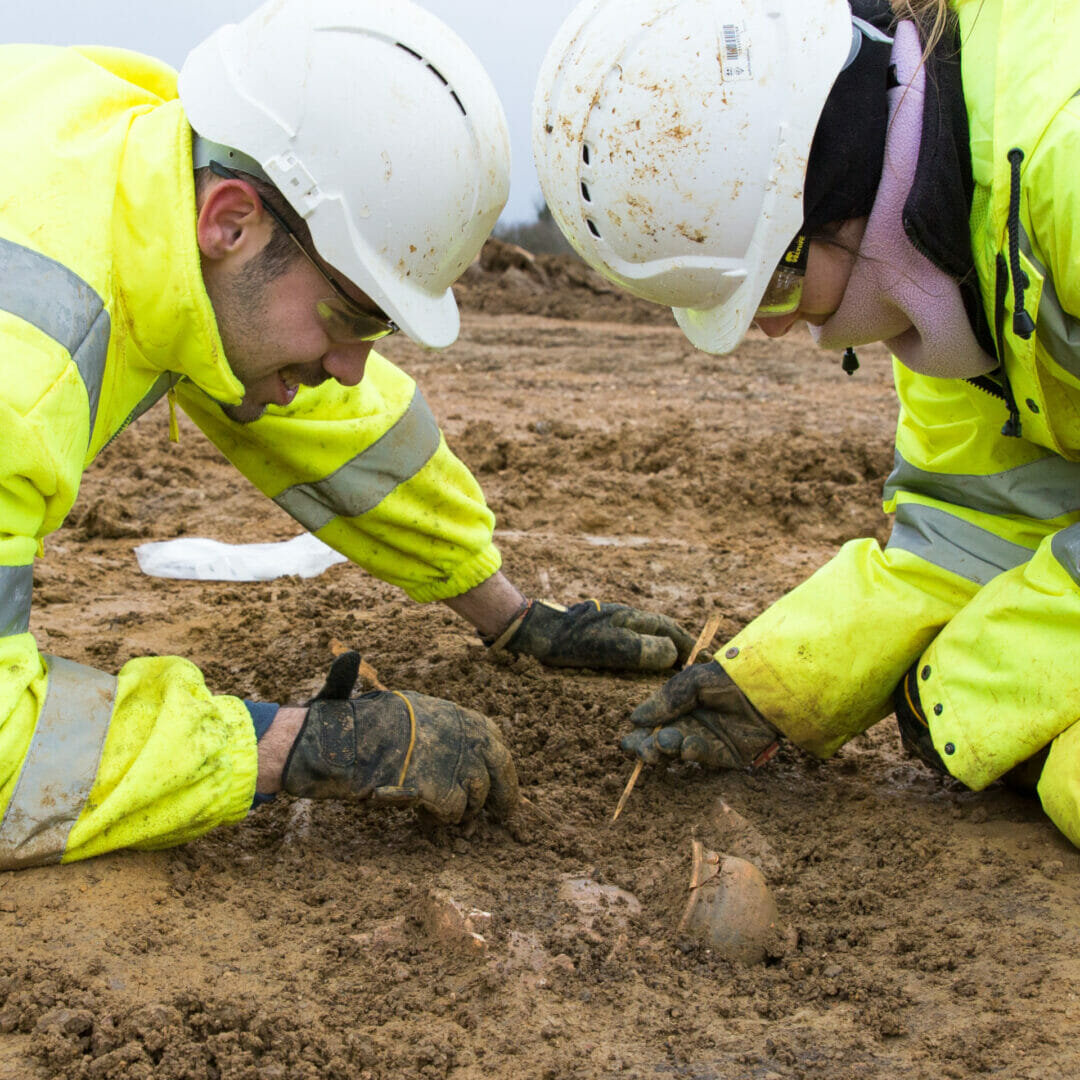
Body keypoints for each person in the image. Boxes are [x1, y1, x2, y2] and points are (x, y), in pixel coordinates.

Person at [0, 0, 697, 870]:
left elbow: (344, 433)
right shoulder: (24, 362)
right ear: (232, 219)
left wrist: (513, 616)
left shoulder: (141, 173)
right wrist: (290, 746)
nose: (350, 367)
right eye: (351, 317)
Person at [532, 0, 1080, 845]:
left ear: (832, 184)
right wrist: (783, 682)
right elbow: (979, 524)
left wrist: (975, 686)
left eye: (773, 290)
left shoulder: (1061, 164)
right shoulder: (948, 252)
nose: (780, 329)